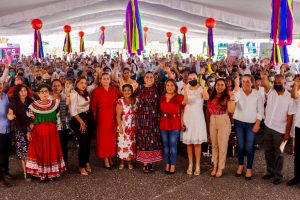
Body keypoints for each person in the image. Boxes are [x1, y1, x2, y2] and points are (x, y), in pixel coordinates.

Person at [260, 72, 296, 185]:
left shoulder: (290, 98)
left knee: (279, 153)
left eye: (279, 82)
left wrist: (287, 133)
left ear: (285, 83)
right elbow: (265, 83)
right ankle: (270, 171)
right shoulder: (272, 92)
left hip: (280, 130)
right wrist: (263, 76)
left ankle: (278, 175)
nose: (277, 84)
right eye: (275, 82)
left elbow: (290, 117)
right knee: (268, 151)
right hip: (268, 127)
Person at [134, 68, 171, 173]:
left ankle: (151, 162)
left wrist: (167, 71)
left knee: (153, 140)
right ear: (144, 79)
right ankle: (145, 163)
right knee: (144, 140)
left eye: (151, 77)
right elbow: (132, 98)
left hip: (154, 119)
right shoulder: (140, 88)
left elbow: (170, 83)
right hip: (142, 119)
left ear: (154, 79)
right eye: (147, 77)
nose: (149, 78)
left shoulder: (157, 87)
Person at [26, 84, 66, 181]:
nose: (44, 93)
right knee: (41, 152)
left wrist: (67, 92)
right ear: (38, 94)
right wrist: (29, 132)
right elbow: (29, 121)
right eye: (42, 92)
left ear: (49, 93)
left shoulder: (54, 103)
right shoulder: (33, 106)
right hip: (39, 133)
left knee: (52, 150)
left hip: (52, 132)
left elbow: (63, 110)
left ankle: (51, 173)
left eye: (46, 91)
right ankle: (42, 174)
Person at [233, 75, 264, 180]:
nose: (245, 83)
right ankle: (240, 165)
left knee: (249, 147)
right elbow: (234, 99)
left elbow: (261, 110)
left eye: (248, 81)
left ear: (252, 82)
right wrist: (236, 86)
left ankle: (249, 168)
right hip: (239, 122)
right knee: (241, 146)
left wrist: (257, 123)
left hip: (252, 123)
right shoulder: (238, 91)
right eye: (243, 81)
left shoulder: (257, 93)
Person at [91, 73, 120, 169]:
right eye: (104, 79)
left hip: (113, 116)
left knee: (112, 137)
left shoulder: (114, 89)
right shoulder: (96, 91)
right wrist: (94, 120)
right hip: (102, 117)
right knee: (103, 138)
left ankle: (110, 157)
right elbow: (93, 106)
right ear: (100, 80)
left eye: (108, 78)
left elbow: (123, 95)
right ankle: (105, 159)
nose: (106, 80)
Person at [208, 78, 236, 178]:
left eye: (222, 85)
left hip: (223, 120)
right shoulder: (212, 95)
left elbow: (232, 110)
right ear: (215, 86)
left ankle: (220, 167)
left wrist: (232, 98)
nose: (219, 87)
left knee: (222, 146)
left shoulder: (228, 96)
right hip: (213, 120)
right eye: (218, 84)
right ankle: (215, 166)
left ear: (225, 86)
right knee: (214, 146)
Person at [182, 72, 209, 176]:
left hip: (198, 118)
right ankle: (190, 164)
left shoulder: (201, 88)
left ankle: (197, 165)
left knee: (197, 143)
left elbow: (206, 98)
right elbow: (184, 103)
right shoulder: (185, 88)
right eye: (190, 78)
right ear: (187, 79)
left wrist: (203, 87)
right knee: (189, 143)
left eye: (193, 77)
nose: (192, 79)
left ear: (197, 78)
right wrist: (185, 91)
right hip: (188, 117)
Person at [70, 76, 96, 175]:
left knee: (88, 142)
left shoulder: (85, 92)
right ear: (76, 83)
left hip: (88, 117)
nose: (84, 85)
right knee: (83, 143)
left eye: (85, 83)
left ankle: (86, 162)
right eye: (81, 83)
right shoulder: (74, 93)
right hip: (78, 119)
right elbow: (73, 111)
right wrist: (81, 122)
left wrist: (97, 73)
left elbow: (94, 84)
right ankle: (81, 166)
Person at [160, 79, 187, 174]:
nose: (170, 87)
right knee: (166, 146)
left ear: (175, 87)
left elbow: (184, 104)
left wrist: (186, 89)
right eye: (168, 85)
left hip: (174, 122)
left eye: (172, 85)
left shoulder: (179, 96)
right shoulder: (162, 97)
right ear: (165, 87)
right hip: (163, 122)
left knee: (173, 145)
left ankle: (173, 165)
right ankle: (167, 164)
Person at [7, 84, 33, 181]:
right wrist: (11, 116)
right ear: (17, 93)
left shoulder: (30, 100)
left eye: (25, 90)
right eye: (21, 91)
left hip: (31, 128)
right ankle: (26, 173)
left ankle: (33, 170)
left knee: (32, 150)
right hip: (21, 130)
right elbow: (9, 115)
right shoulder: (13, 103)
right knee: (24, 153)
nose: (23, 93)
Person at [116, 84, 138, 170]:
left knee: (131, 144)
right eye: (125, 90)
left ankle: (130, 162)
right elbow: (118, 116)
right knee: (122, 144)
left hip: (133, 126)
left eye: (129, 90)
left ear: (132, 91)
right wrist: (120, 127)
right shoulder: (120, 101)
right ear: (122, 91)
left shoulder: (136, 100)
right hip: (123, 126)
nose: (127, 92)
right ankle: (122, 162)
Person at [51, 79, 71, 170]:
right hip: (53, 125)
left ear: (61, 86)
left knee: (64, 145)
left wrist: (67, 95)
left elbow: (68, 106)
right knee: (54, 146)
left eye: (58, 85)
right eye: (54, 85)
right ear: (51, 87)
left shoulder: (64, 96)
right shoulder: (48, 98)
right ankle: (55, 165)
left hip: (63, 124)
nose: (57, 87)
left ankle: (65, 164)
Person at [287, 75, 300, 186]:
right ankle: (297, 177)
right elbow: (294, 95)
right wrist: (296, 85)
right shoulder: (298, 91)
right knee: (298, 154)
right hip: (299, 126)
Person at [0, 79, 12, 187]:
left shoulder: (4, 95)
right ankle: (1, 178)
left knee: (6, 152)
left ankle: (6, 171)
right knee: (1, 154)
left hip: (8, 128)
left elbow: (8, 109)